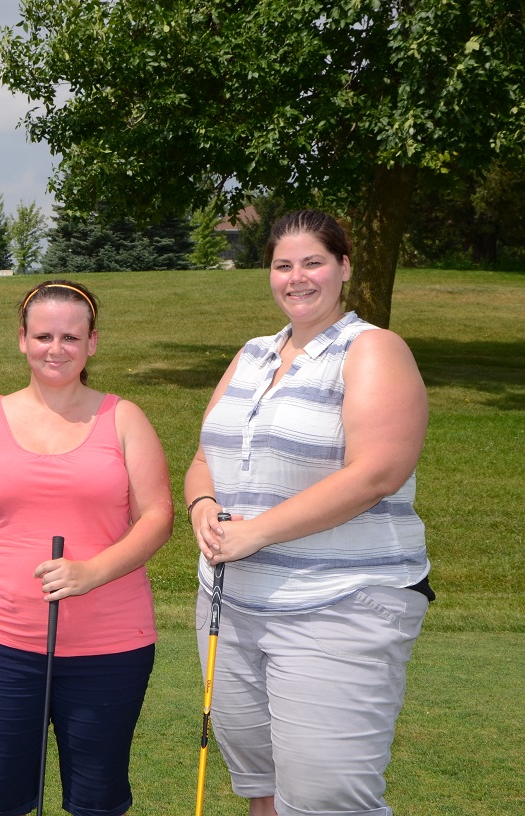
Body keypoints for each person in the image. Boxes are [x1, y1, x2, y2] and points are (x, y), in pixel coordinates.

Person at [184, 209, 432, 816]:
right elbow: (204, 455)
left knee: (325, 801)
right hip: (232, 604)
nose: (297, 277)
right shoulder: (252, 355)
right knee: (260, 789)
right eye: (282, 264)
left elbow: (378, 473)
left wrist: (256, 534)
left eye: (313, 262)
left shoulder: (371, 349)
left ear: (344, 267)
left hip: (341, 605)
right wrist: (202, 506)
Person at [0, 279, 174, 816]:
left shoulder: (124, 418)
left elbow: (157, 517)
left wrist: (92, 571)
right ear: (22, 340)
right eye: (43, 335)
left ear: (92, 343)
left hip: (109, 645)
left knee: (96, 800)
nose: (56, 348)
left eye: (71, 336)